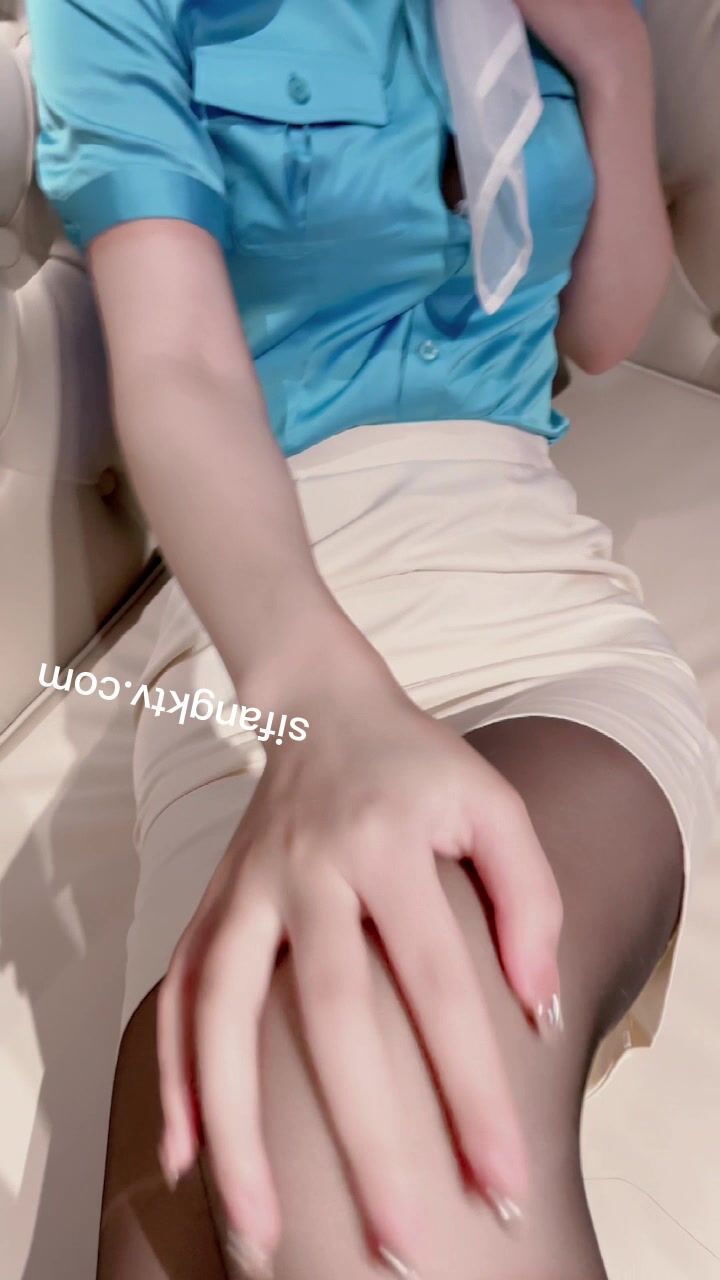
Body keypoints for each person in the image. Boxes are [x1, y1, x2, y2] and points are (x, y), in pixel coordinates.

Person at [26, 1, 720, 1278]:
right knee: (207, 1199)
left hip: (526, 617)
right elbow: (175, 363)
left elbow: (602, 331)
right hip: (251, 657)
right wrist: (318, 695)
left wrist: (613, 67)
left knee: (366, 1107)